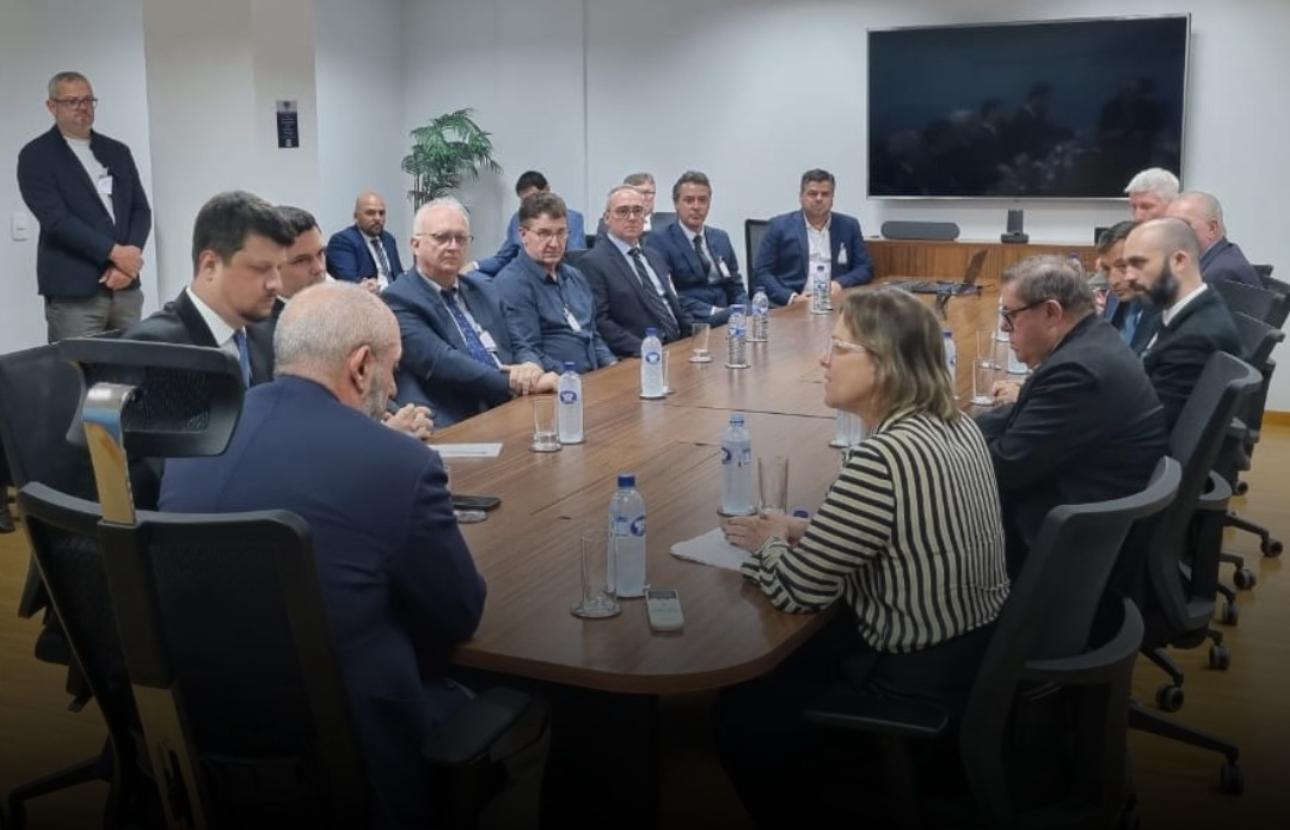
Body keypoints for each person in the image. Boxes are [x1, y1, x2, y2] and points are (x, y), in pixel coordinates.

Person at [159, 282, 545, 829]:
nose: (394, 388)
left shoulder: (194, 436)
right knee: (533, 712)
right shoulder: (398, 463)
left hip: (197, 738)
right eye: (393, 369)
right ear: (361, 366)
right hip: (357, 748)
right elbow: (457, 616)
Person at [715, 288, 1010, 827]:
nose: (823, 360)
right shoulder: (957, 425)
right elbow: (899, 528)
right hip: (974, 658)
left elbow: (799, 590)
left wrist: (768, 542)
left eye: (839, 348)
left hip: (912, 678)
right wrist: (807, 529)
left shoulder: (882, 456)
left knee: (740, 713)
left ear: (885, 364)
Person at [975, 255, 1167, 577]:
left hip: (1071, 543)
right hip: (1084, 508)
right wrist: (960, 429)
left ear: (1052, 312)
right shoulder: (1091, 340)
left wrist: (946, 448)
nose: (1004, 327)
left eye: (1010, 315)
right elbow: (1017, 417)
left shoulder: (1078, 372)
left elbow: (1003, 469)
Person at [383, 198, 556, 428]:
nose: (453, 246)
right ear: (415, 245)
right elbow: (443, 362)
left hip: (515, 404)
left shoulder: (484, 290)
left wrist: (531, 366)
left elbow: (520, 341)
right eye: (442, 237)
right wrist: (514, 383)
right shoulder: (397, 299)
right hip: (459, 416)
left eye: (461, 238)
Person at [17, 71, 152, 342]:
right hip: (75, 293)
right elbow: (57, 222)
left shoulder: (117, 151)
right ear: (51, 106)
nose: (82, 107)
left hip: (125, 287)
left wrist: (128, 263)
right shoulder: (36, 155)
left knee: (132, 366)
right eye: (72, 101)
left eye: (88, 100)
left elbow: (140, 210)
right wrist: (115, 253)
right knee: (80, 367)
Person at [124, 190, 291, 388]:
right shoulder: (150, 349)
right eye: (260, 269)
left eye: (279, 269)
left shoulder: (271, 337)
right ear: (210, 265)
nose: (276, 284)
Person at [1123, 218, 1243, 430]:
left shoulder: (1197, 337)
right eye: (1126, 266)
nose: (1128, 276)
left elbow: (1154, 425)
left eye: (1139, 263)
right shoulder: (1170, 312)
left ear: (1179, 260)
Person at [494, 192, 616, 373]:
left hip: (594, 377)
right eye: (544, 233)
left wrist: (612, 366)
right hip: (557, 382)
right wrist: (571, 378)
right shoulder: (512, 283)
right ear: (523, 235)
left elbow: (592, 336)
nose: (554, 243)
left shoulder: (575, 277)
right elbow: (528, 351)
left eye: (561, 233)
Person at [579, 185, 693, 357]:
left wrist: (695, 335)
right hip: (639, 355)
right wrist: (647, 350)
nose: (632, 218)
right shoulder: (593, 263)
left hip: (679, 347)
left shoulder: (654, 256)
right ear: (607, 218)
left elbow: (675, 303)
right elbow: (601, 323)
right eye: (623, 211)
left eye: (638, 211)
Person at [754, 169, 873, 307]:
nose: (819, 199)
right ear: (801, 197)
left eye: (825, 194)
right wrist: (792, 298)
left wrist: (839, 284)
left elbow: (865, 268)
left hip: (833, 303)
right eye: (812, 194)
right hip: (792, 304)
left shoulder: (849, 226)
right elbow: (762, 273)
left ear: (832, 198)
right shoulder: (779, 226)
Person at [645, 170, 750, 326]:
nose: (696, 207)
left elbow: (735, 285)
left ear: (709, 204)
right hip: (694, 320)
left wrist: (745, 308)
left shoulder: (721, 238)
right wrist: (715, 311)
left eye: (702, 200)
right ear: (676, 204)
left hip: (730, 318)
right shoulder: (659, 241)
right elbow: (669, 294)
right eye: (689, 200)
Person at [472, 171, 588, 276]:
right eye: (525, 201)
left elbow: (575, 258)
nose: (531, 204)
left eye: (533, 197)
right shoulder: (518, 219)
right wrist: (475, 265)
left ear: (547, 189)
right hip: (521, 275)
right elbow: (503, 257)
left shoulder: (571, 218)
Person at [1164, 191, 1261, 287]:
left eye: (1182, 225)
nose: (1173, 233)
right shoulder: (1221, 255)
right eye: (1170, 226)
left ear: (1212, 228)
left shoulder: (1221, 273)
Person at [1096, 220, 1155, 350]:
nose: (1113, 281)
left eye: (1123, 266)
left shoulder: (1167, 308)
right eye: (1106, 269)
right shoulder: (1113, 298)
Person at [327, 191, 404, 291]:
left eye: (381, 213)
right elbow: (350, 283)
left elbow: (398, 275)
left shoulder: (388, 239)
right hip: (370, 296)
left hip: (396, 296)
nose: (377, 218)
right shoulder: (342, 241)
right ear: (356, 216)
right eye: (370, 213)